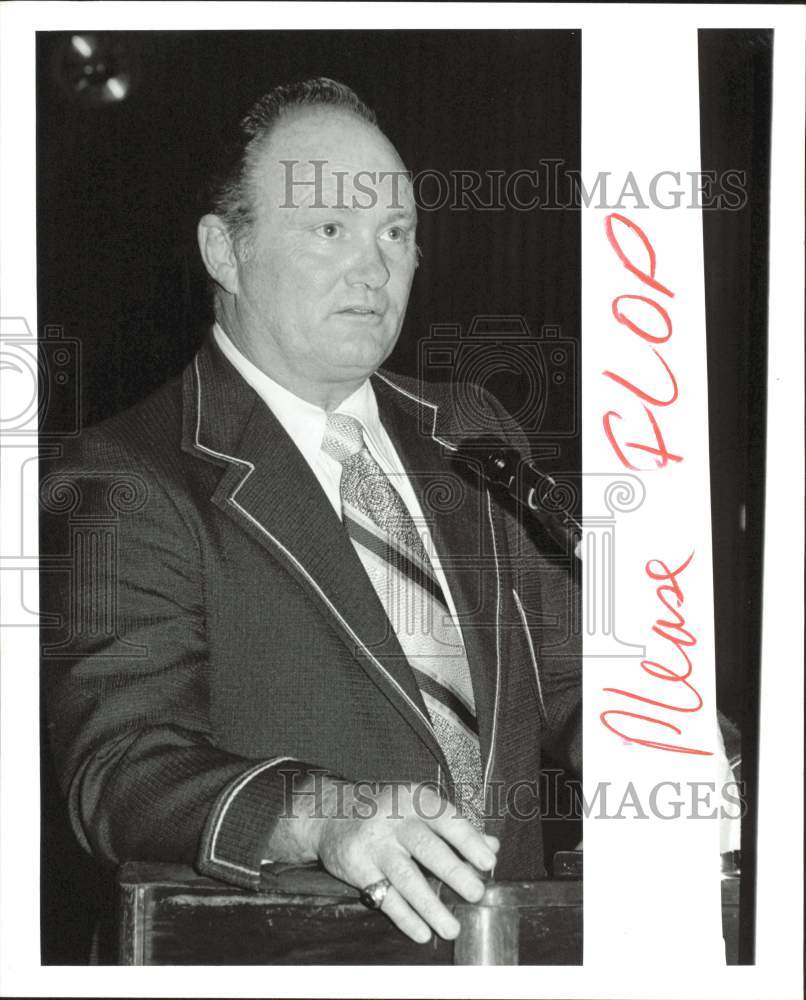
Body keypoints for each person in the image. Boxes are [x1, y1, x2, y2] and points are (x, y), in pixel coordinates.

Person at [41, 78, 581, 948]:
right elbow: (123, 769)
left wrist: (681, 746)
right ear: (225, 250)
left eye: (395, 234)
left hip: (515, 952)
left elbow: (568, 682)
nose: (373, 268)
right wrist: (328, 817)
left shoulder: (475, 433)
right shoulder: (126, 476)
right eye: (331, 229)